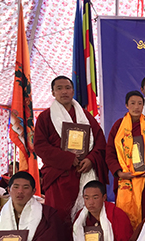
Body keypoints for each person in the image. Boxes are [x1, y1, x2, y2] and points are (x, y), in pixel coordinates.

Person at [34, 76, 108, 224]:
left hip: (84, 172)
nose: (64, 92)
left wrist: (91, 159)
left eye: (67, 88)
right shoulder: (45, 117)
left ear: (73, 91)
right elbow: (40, 146)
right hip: (60, 175)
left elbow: (100, 141)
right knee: (59, 217)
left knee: (86, 216)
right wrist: (67, 158)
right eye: (59, 88)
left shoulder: (85, 116)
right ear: (53, 92)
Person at [106, 90, 145, 229]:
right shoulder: (118, 127)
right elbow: (110, 153)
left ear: (143, 106)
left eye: (140, 103)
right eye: (133, 103)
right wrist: (118, 172)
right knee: (125, 216)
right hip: (126, 178)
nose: (136, 107)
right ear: (126, 105)